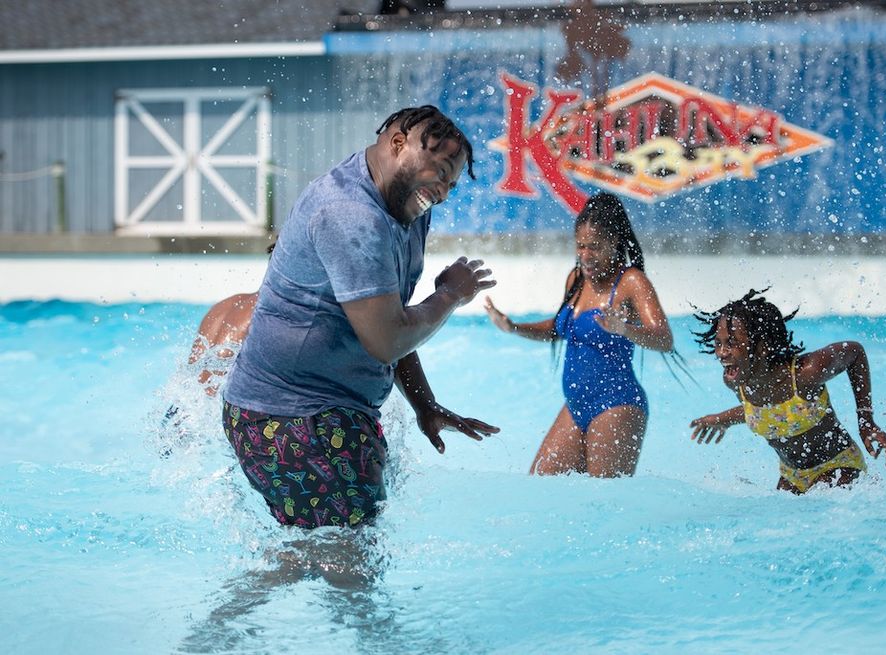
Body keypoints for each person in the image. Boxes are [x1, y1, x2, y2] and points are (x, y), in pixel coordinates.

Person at [221, 105, 498, 529]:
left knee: (333, 554)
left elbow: (389, 314)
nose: (443, 191)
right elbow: (386, 339)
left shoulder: (406, 209)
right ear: (398, 143)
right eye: (440, 171)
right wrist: (450, 295)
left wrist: (425, 405)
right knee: (349, 560)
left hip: (325, 413)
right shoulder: (350, 214)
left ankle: (244, 598)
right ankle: (234, 599)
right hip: (291, 417)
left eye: (452, 183)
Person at [484, 192, 674, 477]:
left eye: (595, 247)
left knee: (606, 501)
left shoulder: (631, 282)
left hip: (617, 404)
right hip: (576, 406)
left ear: (615, 242)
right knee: (540, 485)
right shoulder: (576, 280)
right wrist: (513, 328)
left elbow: (664, 339)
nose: (585, 256)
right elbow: (558, 330)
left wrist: (625, 329)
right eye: (581, 246)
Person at [689, 289, 886, 493]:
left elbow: (855, 352)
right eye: (718, 343)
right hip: (791, 476)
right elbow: (765, 411)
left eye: (731, 343)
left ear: (761, 346)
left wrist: (866, 421)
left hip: (838, 466)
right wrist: (722, 419)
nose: (721, 353)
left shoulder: (805, 373)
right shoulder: (737, 382)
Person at [187, 243, 275, 396]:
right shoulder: (270, 313)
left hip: (181, 411)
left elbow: (193, 383)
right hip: (222, 411)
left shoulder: (223, 306)